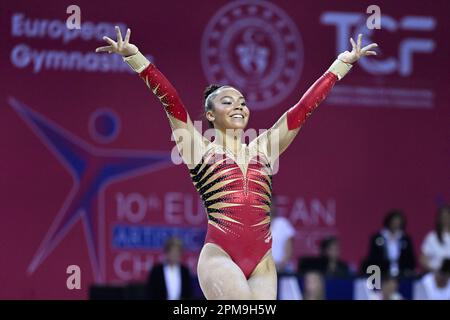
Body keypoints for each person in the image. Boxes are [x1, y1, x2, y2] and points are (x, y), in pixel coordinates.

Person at [96, 26, 378, 300]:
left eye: (242, 102)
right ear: (209, 114)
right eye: (227, 102)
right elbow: (171, 101)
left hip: (263, 263)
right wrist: (135, 58)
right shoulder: (198, 150)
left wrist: (342, 64)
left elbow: (303, 109)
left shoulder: (265, 147)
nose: (238, 106)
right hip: (220, 255)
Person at [361, 209, 416, 277]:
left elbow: (410, 259)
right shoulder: (378, 238)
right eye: (394, 222)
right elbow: (373, 257)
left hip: (401, 273)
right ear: (389, 222)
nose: (396, 224)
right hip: (381, 273)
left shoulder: (405, 239)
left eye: (398, 222)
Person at [420, 205, 450, 272]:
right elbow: (423, 259)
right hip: (436, 274)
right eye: (443, 217)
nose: (446, 219)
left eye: (447, 216)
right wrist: (435, 271)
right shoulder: (432, 237)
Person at [270, 196, 296, 272]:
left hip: (283, 270)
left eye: (271, 204)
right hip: (263, 272)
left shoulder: (283, 223)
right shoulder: (256, 226)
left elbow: (289, 249)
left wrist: (281, 266)